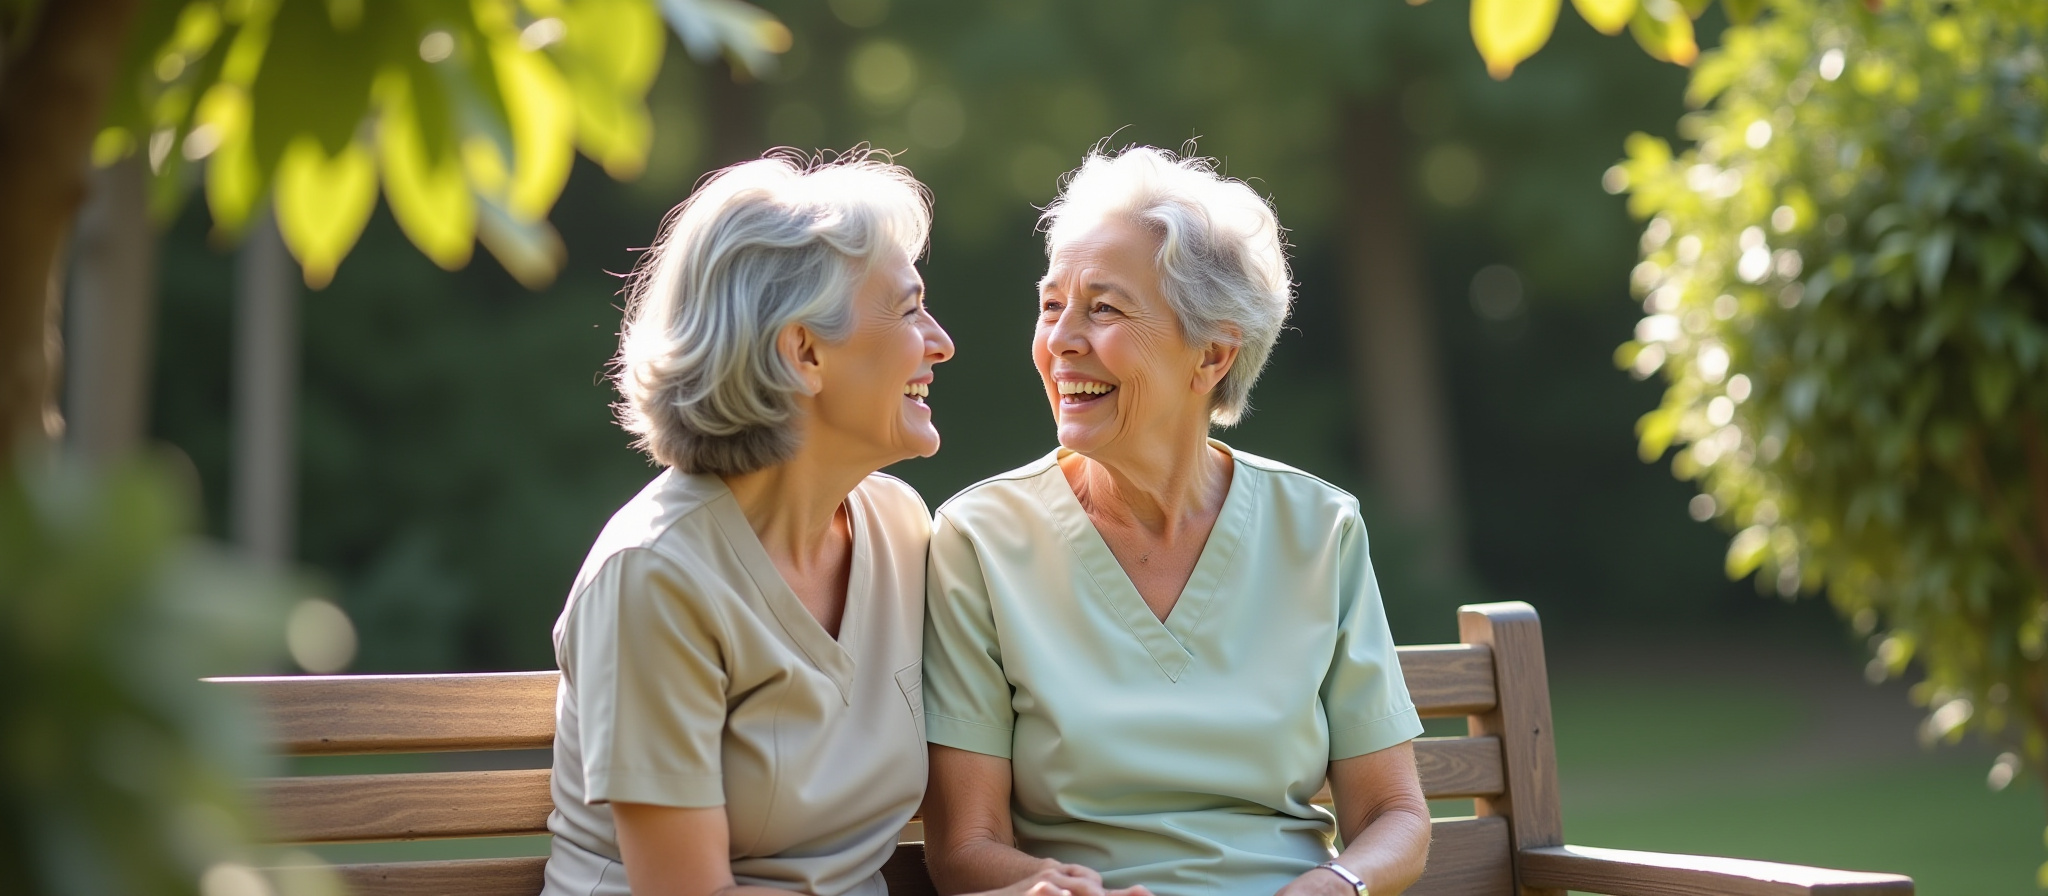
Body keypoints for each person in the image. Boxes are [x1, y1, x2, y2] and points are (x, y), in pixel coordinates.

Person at [540, 152, 1089, 896]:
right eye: (907, 309)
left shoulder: (899, 529)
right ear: (804, 352)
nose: (940, 341)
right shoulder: (654, 574)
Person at [920, 146, 1433, 896]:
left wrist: (1335, 887)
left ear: (1212, 356)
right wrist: (1052, 888)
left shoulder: (1319, 528)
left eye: (1103, 308)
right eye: (1051, 304)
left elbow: (1393, 811)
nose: (1062, 339)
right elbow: (966, 846)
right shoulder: (981, 538)